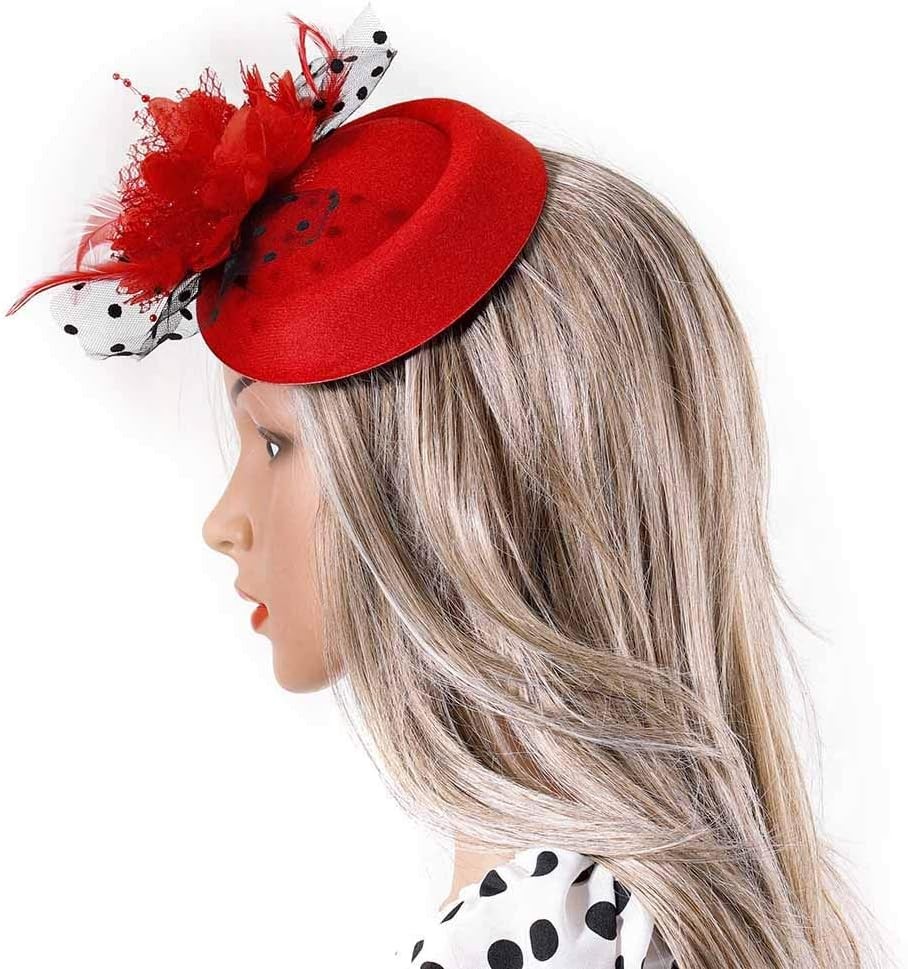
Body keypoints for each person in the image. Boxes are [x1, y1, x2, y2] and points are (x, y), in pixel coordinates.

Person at [5, 5, 883, 968]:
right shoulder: (663, 918)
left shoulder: (533, 934)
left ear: (472, 487)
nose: (225, 521)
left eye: (278, 444)